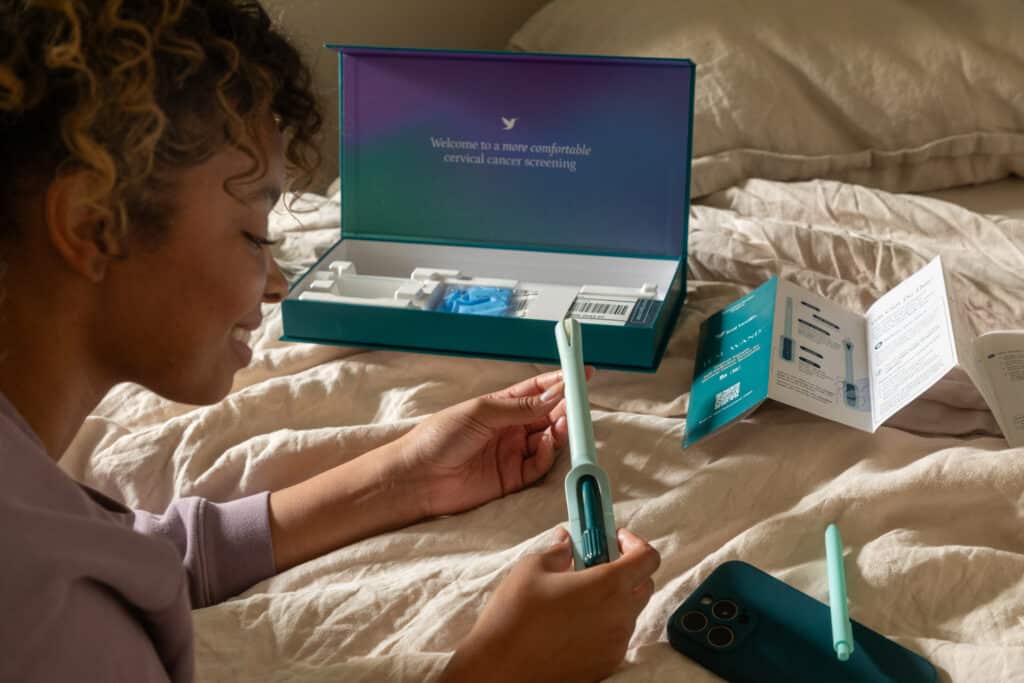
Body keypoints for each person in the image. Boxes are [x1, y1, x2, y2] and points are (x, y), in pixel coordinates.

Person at [0, 1, 661, 682]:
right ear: (92, 223)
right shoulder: (43, 605)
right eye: (253, 233)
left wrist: (405, 477)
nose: (278, 284)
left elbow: (143, 554)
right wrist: (498, 668)